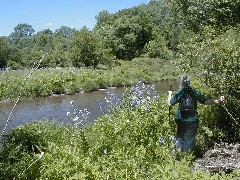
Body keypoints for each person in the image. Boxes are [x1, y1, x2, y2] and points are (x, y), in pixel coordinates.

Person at [168, 75, 225, 152]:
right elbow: (205, 101)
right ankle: (187, 157)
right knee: (189, 140)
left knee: (180, 136)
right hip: (192, 120)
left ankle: (179, 155)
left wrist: (170, 94)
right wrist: (218, 101)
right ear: (189, 82)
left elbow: (169, 104)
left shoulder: (180, 92)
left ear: (181, 83)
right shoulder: (194, 92)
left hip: (180, 119)